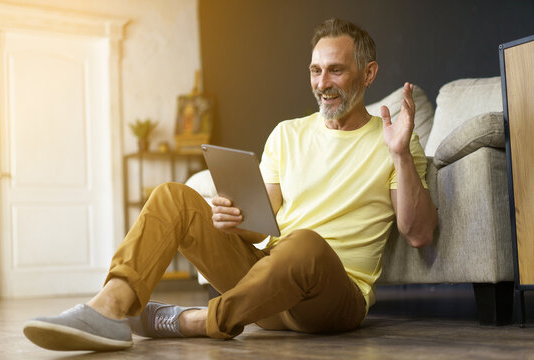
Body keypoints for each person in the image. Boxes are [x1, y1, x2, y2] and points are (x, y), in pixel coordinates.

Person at [23, 18, 438, 352]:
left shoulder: (394, 142)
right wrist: (234, 219)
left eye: (336, 69)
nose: (322, 82)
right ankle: (109, 309)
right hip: (265, 290)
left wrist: (400, 154)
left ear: (368, 73)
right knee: (173, 197)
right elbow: (263, 228)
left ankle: (190, 320)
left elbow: (418, 234)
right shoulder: (287, 134)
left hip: (331, 301)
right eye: (315, 70)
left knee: (306, 244)